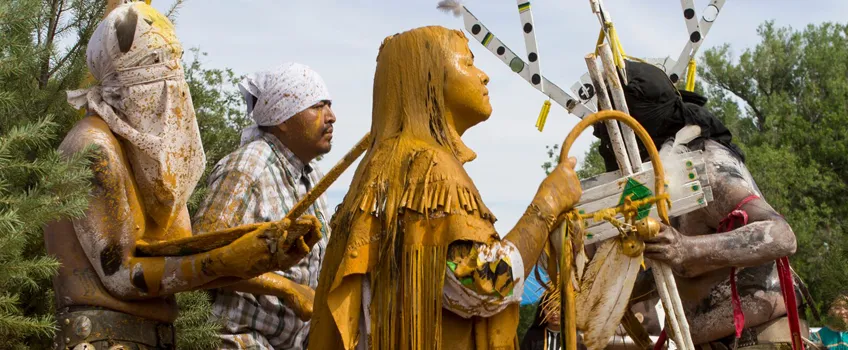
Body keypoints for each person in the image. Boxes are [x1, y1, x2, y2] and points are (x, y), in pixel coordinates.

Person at [43, 4, 315, 349]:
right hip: (100, 339)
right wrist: (224, 260)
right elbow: (122, 276)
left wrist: (267, 255)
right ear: (124, 84)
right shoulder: (93, 147)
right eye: (156, 80)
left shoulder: (142, 160)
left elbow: (173, 262)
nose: (171, 98)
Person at [307, 26, 582, 350]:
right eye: (467, 63)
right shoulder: (429, 168)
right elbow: (485, 283)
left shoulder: (379, 167)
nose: (484, 76)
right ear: (429, 81)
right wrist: (549, 204)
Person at [593, 59, 805, 348]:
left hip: (759, 338)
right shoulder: (655, 187)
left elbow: (781, 235)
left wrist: (686, 248)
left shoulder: (706, 166)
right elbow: (675, 268)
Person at [192, 63, 336, 349]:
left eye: (329, 106)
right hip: (238, 339)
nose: (331, 117)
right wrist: (288, 289)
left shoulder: (314, 179)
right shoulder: (248, 168)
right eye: (317, 107)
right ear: (281, 118)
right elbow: (201, 255)